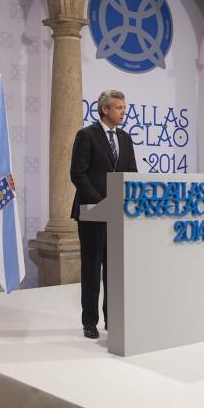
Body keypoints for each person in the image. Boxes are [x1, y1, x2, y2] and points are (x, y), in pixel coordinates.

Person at [70, 90, 137, 339]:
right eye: (119, 108)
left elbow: (131, 172)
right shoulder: (86, 135)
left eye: (124, 108)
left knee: (114, 269)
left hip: (119, 215)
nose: (123, 112)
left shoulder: (126, 138)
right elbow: (78, 174)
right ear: (105, 109)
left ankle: (113, 318)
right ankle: (90, 321)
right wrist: (102, 203)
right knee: (91, 268)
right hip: (93, 212)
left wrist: (124, 201)